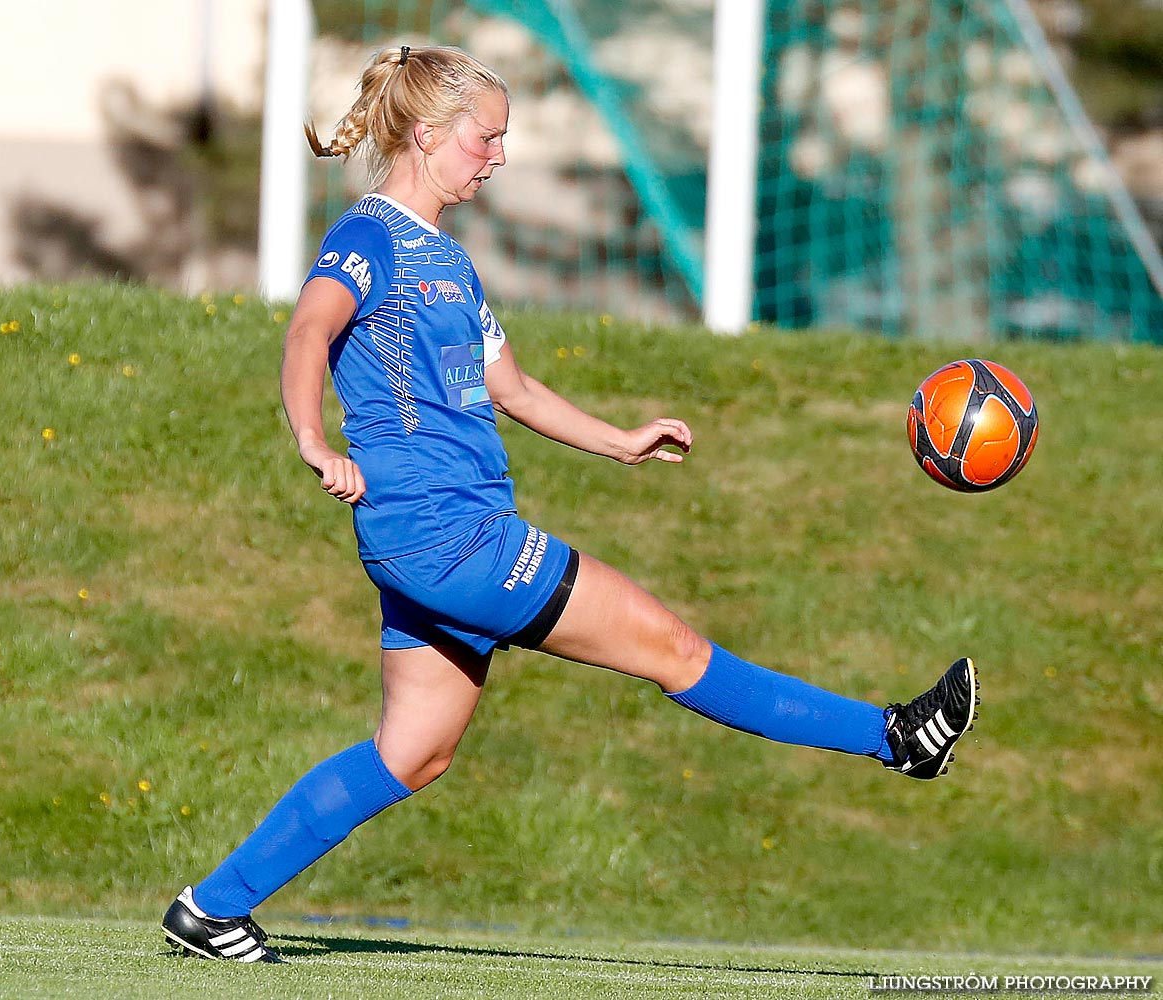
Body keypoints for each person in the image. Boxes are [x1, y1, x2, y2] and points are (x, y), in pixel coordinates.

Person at [162, 45, 978, 965]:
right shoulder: (371, 237)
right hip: (452, 538)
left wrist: (618, 438)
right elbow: (310, 327)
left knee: (413, 753)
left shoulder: (450, 262)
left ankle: (211, 908)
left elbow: (512, 387)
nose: (498, 157)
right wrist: (314, 440)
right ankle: (895, 737)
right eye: (486, 137)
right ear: (426, 135)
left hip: (425, 540)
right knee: (674, 650)